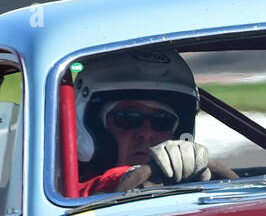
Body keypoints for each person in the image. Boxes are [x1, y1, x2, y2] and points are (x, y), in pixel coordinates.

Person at [73, 50, 212, 195]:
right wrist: (130, 176)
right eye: (128, 118)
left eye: (162, 121)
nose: (147, 133)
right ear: (94, 127)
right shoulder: (63, 190)